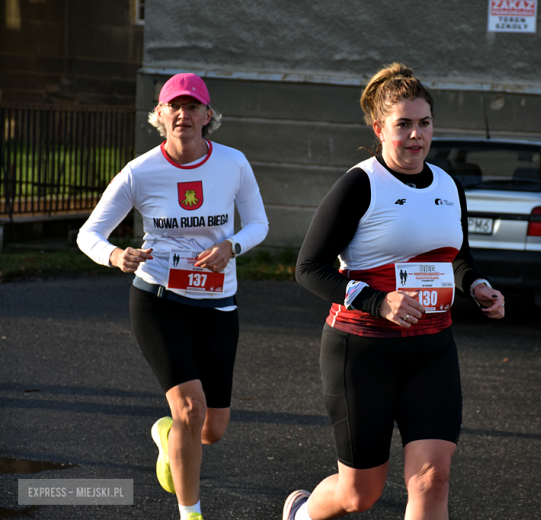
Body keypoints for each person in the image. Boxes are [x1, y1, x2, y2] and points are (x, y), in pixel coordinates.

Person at [288, 63, 505, 520]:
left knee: (432, 479)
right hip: (362, 350)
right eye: (403, 124)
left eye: (424, 123)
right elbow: (308, 268)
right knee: (359, 495)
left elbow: (457, 255)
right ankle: (302, 514)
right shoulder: (360, 183)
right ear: (379, 129)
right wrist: (377, 300)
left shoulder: (448, 184)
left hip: (432, 350)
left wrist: (477, 284)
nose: (415, 135)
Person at [77, 73, 269, 520]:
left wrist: (232, 246)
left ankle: (168, 436)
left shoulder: (233, 163)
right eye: (174, 106)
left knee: (211, 428)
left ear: (207, 115)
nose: (183, 114)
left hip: (218, 303)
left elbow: (259, 224)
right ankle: (190, 513)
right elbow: (90, 234)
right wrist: (115, 255)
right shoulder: (140, 171)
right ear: (159, 115)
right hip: (159, 299)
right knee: (189, 408)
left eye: (192, 106)